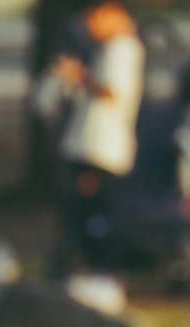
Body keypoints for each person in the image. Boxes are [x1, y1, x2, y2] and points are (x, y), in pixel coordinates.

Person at [36, 0, 144, 281]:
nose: (91, 25)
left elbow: (111, 91)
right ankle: (80, 267)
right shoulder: (109, 49)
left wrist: (79, 75)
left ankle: (98, 269)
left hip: (99, 148)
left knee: (92, 215)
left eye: (95, 17)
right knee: (79, 214)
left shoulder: (123, 48)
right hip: (87, 144)